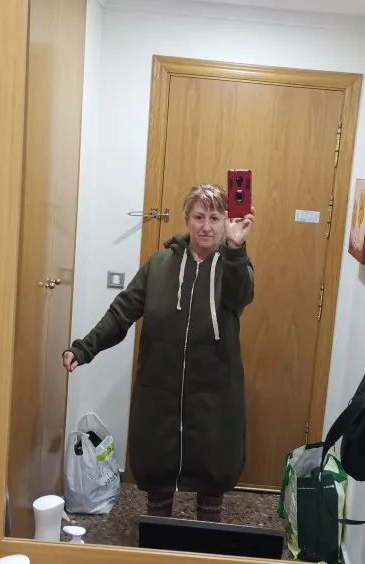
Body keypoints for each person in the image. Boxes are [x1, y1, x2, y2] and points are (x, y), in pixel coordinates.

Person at [63, 184, 255, 523]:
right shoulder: (160, 264)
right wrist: (85, 347)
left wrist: (236, 248)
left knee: (212, 471)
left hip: (214, 392)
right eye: (199, 217)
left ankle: (206, 542)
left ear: (226, 221)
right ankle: (156, 542)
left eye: (215, 218)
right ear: (187, 218)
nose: (206, 227)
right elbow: (122, 311)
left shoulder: (231, 265)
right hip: (160, 389)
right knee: (158, 469)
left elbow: (242, 296)